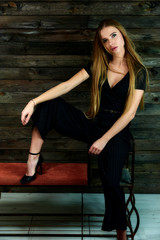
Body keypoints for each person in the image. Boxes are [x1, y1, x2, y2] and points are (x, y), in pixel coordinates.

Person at [20, 19, 148, 240]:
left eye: (114, 36)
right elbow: (67, 85)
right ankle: (33, 160)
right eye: (105, 40)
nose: (111, 43)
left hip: (116, 134)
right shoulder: (99, 65)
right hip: (94, 125)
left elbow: (129, 114)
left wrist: (104, 140)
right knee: (49, 104)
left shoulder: (139, 71)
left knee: (111, 181)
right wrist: (33, 101)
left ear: (123, 35)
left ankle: (121, 232)